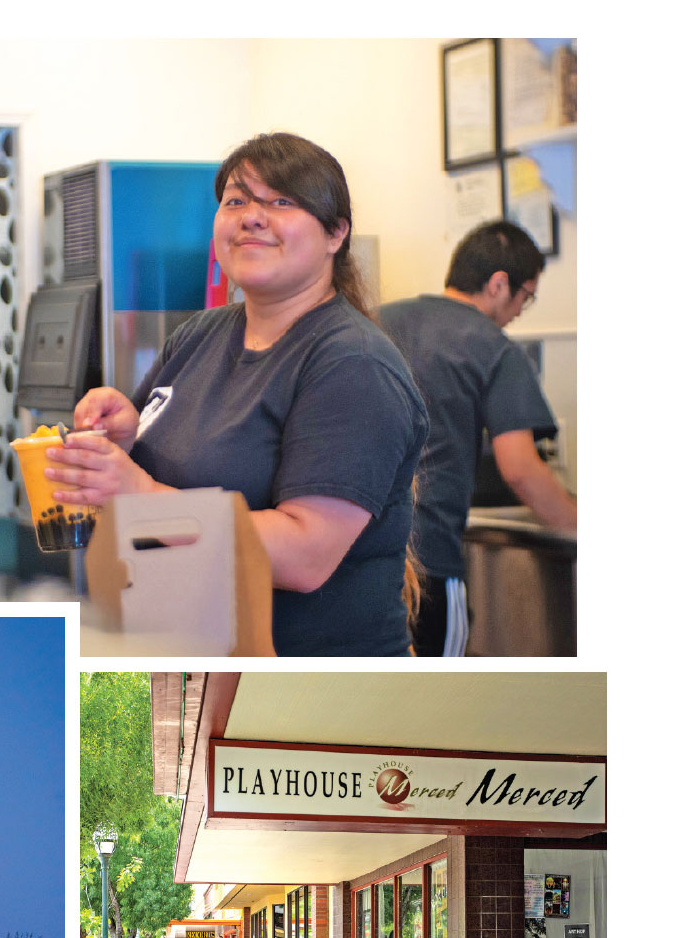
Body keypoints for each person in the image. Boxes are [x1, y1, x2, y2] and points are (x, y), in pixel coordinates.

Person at [46, 132, 428, 658]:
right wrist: (128, 433)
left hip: (301, 687)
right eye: (236, 200)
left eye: (281, 202)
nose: (252, 215)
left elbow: (302, 556)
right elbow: (189, 461)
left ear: (336, 233)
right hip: (182, 658)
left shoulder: (351, 364)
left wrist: (138, 493)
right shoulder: (200, 334)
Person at [379, 220, 577, 656]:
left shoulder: (376, 320)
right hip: (428, 560)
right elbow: (522, 470)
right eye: (527, 295)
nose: (522, 310)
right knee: (437, 701)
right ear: (499, 284)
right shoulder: (494, 347)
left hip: (357, 556)